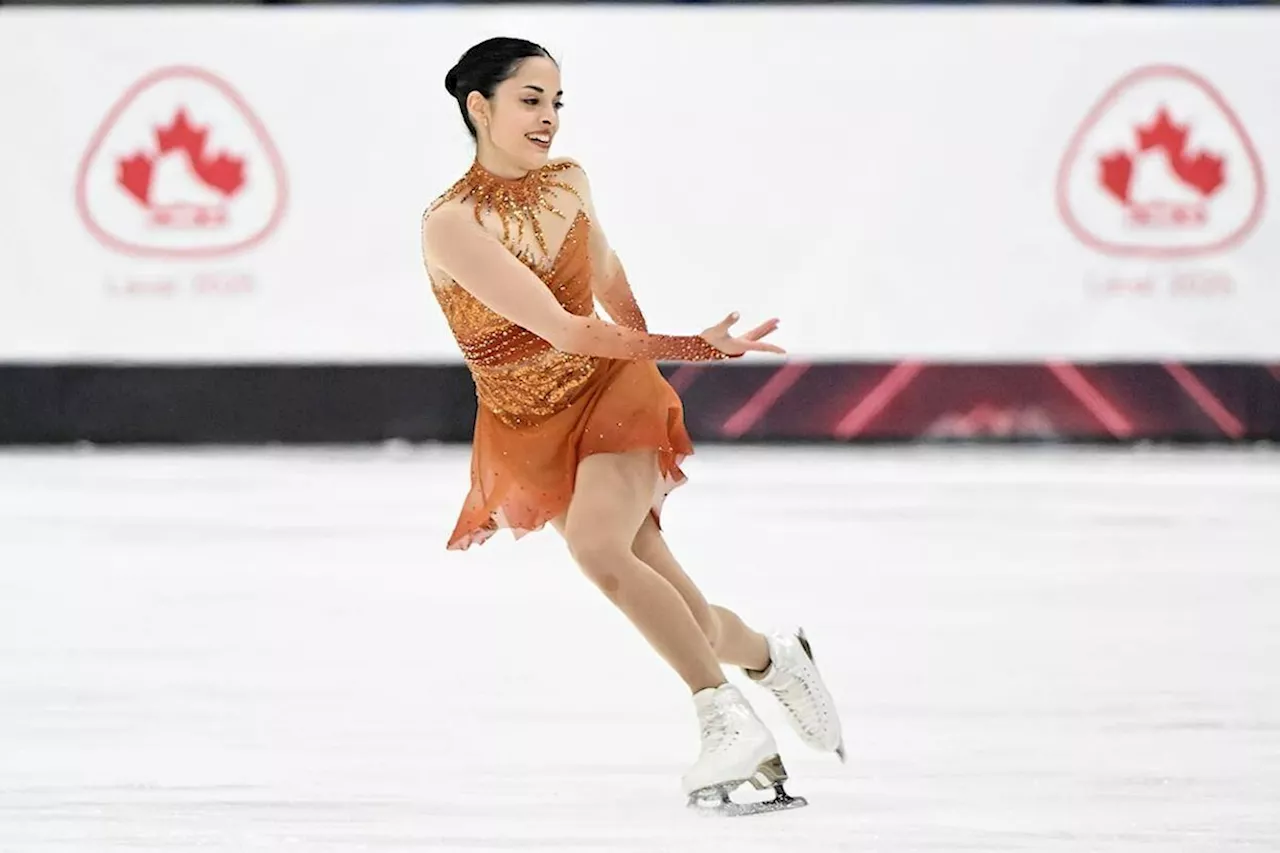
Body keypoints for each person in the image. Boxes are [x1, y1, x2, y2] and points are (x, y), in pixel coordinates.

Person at [420, 36, 844, 814]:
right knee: (682, 605)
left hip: (612, 393)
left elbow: (605, 277)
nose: (548, 117)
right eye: (529, 100)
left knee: (598, 549)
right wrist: (692, 348)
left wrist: (653, 354)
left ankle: (724, 720)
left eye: (555, 102)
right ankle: (772, 658)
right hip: (533, 420)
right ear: (479, 106)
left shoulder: (568, 182)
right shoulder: (453, 224)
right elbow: (562, 327)